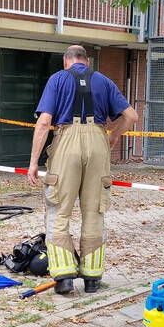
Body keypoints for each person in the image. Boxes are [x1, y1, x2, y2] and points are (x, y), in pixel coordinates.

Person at [27, 45, 138, 295]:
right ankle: (92, 278)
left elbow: (44, 122)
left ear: (66, 61)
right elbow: (131, 115)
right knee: (94, 210)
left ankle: (64, 277)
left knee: (59, 210)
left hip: (67, 141)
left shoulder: (58, 79)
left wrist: (34, 162)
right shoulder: (104, 81)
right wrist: (112, 137)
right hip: (98, 142)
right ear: (87, 61)